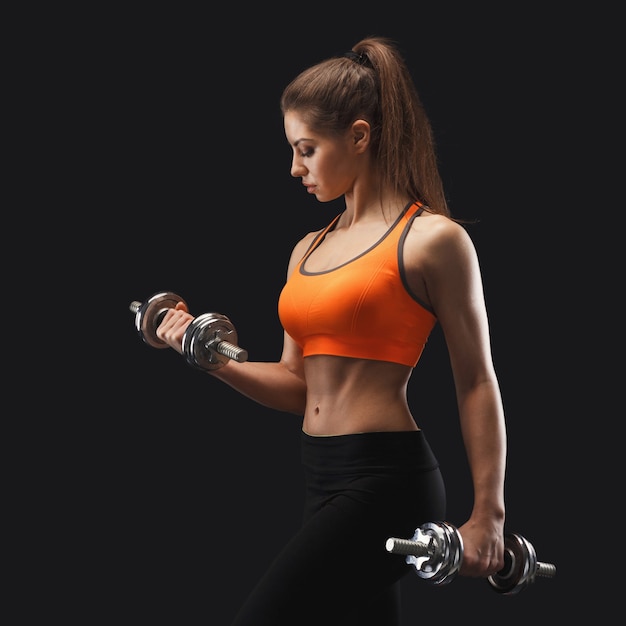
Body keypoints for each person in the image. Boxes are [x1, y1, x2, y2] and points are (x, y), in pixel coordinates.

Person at [155, 36, 507, 626]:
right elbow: (298, 384)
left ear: (360, 137)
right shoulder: (307, 249)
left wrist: (487, 515)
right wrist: (213, 360)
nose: (294, 168)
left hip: (388, 481)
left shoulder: (432, 240)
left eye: (307, 149)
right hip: (320, 472)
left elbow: (475, 382)